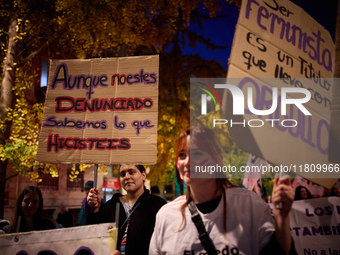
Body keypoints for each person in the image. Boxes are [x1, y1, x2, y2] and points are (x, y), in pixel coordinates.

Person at [149, 126, 296, 255]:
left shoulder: (249, 205)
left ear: (217, 159)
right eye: (182, 155)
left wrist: (282, 218)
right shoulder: (166, 215)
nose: (187, 162)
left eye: (197, 153)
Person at [87, 164, 167, 255]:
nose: (127, 177)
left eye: (132, 172)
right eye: (122, 174)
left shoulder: (158, 205)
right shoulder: (111, 205)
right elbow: (95, 238)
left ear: (143, 175)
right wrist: (94, 210)